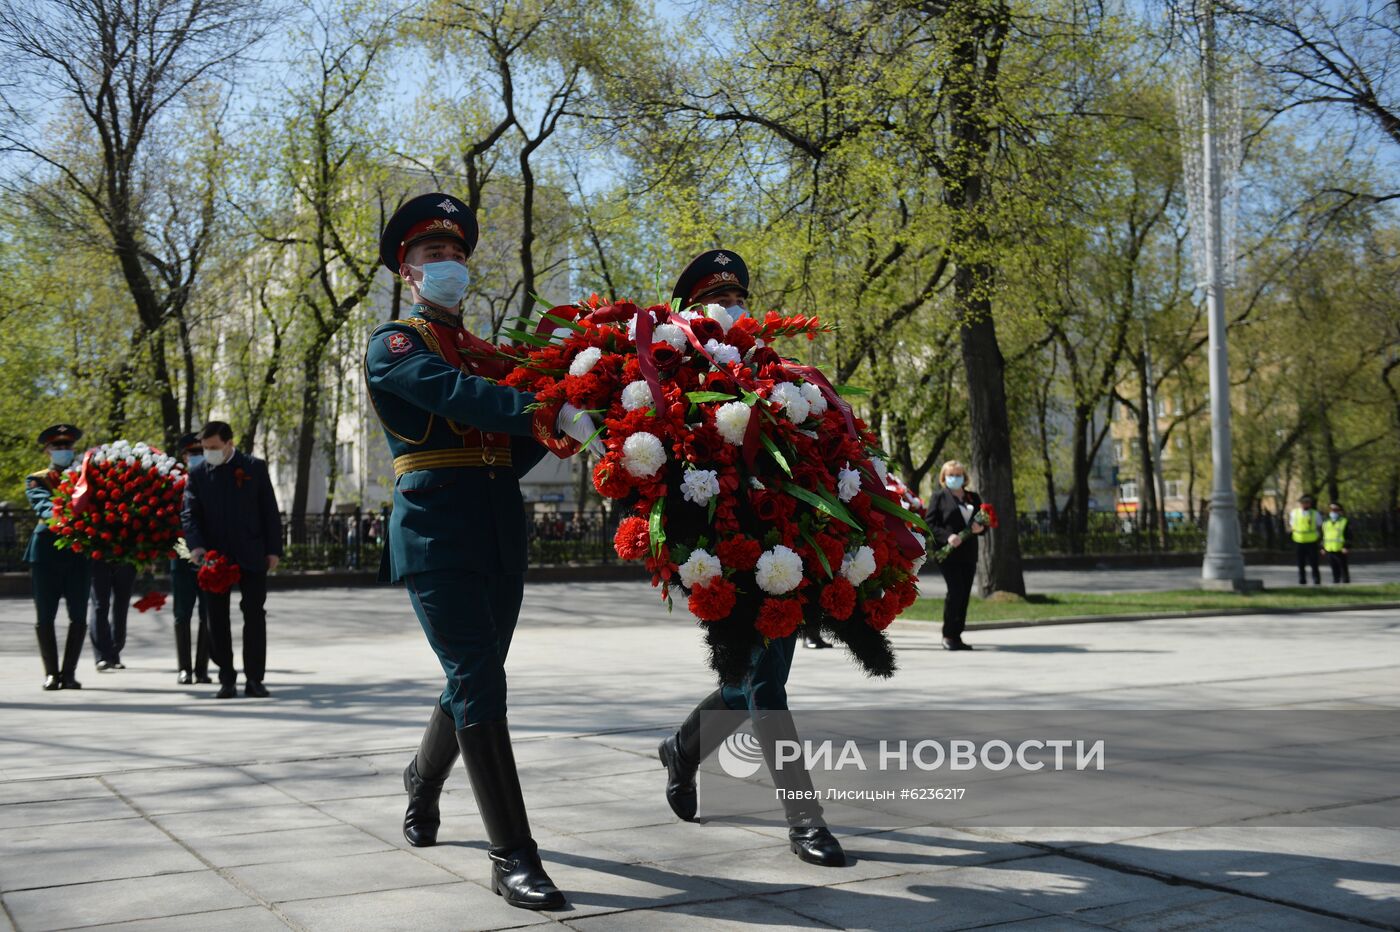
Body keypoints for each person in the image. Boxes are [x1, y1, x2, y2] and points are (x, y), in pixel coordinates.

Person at [365, 193, 596, 911]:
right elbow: (460, 398)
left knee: (476, 673)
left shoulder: (492, 354)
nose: (450, 265)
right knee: (477, 676)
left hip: (497, 525)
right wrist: (542, 405)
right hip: (435, 532)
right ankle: (513, 857)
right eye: (435, 255)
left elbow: (511, 448)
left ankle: (422, 777)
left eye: (459, 254)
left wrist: (576, 420)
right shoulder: (397, 345)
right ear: (407, 270)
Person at [657, 249, 846, 868]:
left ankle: (682, 750)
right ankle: (804, 820)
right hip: (721, 545)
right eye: (719, 299)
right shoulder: (675, 371)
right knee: (764, 684)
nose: (732, 309)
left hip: (782, 539)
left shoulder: (777, 373)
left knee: (753, 684)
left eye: (739, 298)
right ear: (692, 310)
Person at [180, 421, 283, 698]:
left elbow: (270, 512)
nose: (209, 452)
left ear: (229, 444)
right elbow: (190, 514)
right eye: (205, 448)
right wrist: (197, 547)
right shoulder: (199, 474)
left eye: (214, 447)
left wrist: (273, 550)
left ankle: (255, 679)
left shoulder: (254, 467)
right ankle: (226, 676)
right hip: (215, 559)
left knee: (254, 615)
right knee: (216, 619)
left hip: (252, 554)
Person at [25, 424, 90, 690]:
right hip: (47, 554)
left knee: (78, 614)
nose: (63, 451)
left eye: (67, 446)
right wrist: (65, 518)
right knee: (45, 614)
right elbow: (41, 503)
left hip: (78, 553)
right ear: (47, 450)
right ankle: (51, 673)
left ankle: (70, 672)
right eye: (57, 447)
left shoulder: (86, 476)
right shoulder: (38, 478)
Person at [926, 459, 986, 651]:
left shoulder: (973, 497)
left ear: (964, 477)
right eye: (951, 475)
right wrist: (947, 536)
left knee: (965, 594)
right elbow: (930, 524)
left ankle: (957, 635)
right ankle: (948, 635)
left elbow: (983, 523)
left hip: (968, 554)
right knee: (956, 591)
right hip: (948, 553)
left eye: (958, 475)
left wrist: (980, 528)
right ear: (944, 477)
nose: (955, 478)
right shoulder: (939, 497)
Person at [171, 433, 212, 684]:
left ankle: (202, 668)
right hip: (182, 553)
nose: (196, 457)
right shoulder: (174, 484)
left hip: (210, 554)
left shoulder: (215, 480)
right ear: (184, 457)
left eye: (201, 452)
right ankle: (184, 668)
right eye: (192, 453)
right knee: (182, 613)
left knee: (208, 614)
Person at [88, 554, 137, 671]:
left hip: (127, 553)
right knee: (100, 605)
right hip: (98, 554)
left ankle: (114, 652)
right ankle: (101, 656)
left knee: (122, 604)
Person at [1288, 494, 1323, 586]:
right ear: (1300, 503)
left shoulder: (1315, 513)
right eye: (1303, 502)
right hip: (1299, 541)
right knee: (1301, 563)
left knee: (1314, 562)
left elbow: (1319, 526)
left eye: (1307, 502)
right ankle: (1302, 579)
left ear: (1310, 504)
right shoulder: (1294, 513)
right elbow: (1292, 526)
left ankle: (1316, 579)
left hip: (1311, 541)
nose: (1305, 504)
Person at [1322, 502, 1350, 584]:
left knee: (1343, 566)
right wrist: (1322, 547)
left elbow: (1349, 536)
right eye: (1331, 510)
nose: (1333, 512)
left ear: (1340, 511)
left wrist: (1346, 546)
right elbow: (1323, 536)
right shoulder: (1326, 522)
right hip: (1329, 548)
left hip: (1340, 549)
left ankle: (1345, 581)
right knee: (1333, 566)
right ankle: (1336, 581)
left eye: (1335, 510)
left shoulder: (1344, 521)